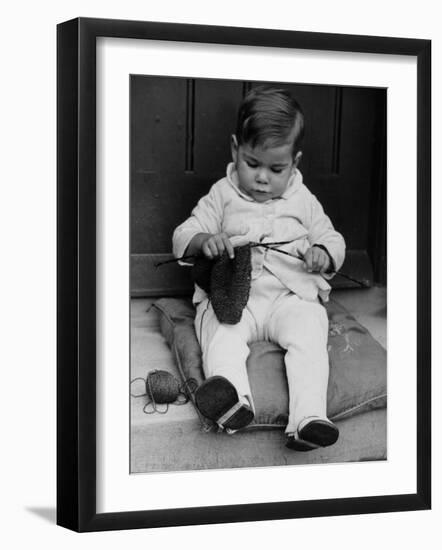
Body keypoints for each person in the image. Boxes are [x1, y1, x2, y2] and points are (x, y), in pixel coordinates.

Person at [172, 87, 345, 451]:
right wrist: (204, 240)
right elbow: (182, 235)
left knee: (311, 330)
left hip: (288, 297)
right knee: (220, 333)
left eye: (276, 168)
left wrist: (323, 254)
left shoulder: (303, 198)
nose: (263, 178)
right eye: (253, 164)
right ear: (235, 149)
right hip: (235, 298)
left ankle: (309, 417)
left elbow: (334, 239)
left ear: (295, 162)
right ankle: (233, 401)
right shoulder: (222, 194)